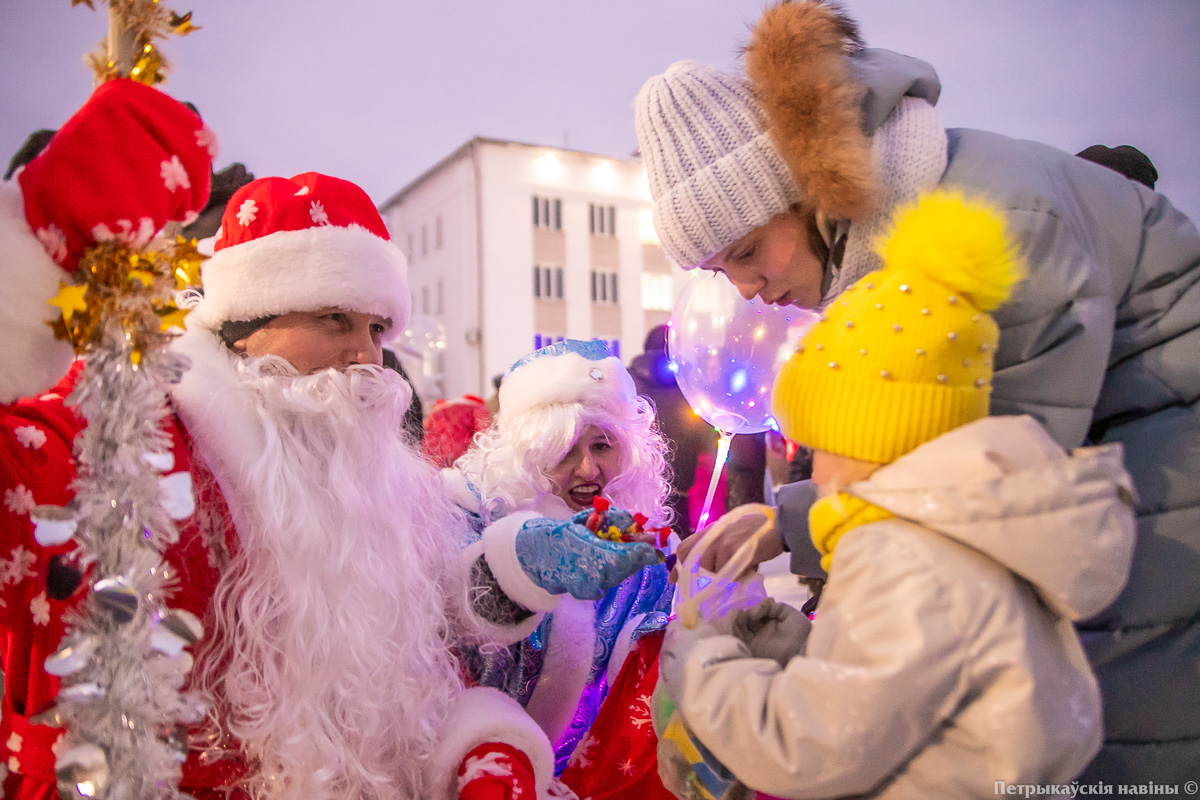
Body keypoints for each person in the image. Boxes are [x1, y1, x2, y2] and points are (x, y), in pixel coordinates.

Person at [0, 80, 655, 800]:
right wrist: (29, 263)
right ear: (248, 323)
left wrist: (511, 589)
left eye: (377, 329)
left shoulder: (376, 480)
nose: (366, 357)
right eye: (335, 319)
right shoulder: (129, 446)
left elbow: (418, 648)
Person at [634, 0, 1200, 779]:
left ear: (805, 189)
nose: (745, 289)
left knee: (1132, 732)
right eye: (718, 272)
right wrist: (786, 520)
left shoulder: (986, 233)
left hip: (1168, 475)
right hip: (1127, 467)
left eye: (747, 249)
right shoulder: (904, 245)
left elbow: (977, 500)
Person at [657, 190, 1137, 798]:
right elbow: (905, 693)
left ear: (873, 443)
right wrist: (798, 649)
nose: (814, 468)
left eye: (822, 447)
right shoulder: (961, 535)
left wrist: (703, 670)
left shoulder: (901, 559)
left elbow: (811, 747)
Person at [452, 339, 675, 779]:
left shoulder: (641, 546)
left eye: (603, 445)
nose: (589, 470)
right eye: (565, 448)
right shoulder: (468, 522)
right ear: (526, 454)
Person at [627, 325, 718, 537]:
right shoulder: (687, 380)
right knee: (677, 550)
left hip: (637, 483)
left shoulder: (627, 379)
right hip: (680, 486)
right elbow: (704, 434)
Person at [423, 394, 492, 468]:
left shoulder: (438, 409)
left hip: (437, 458)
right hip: (465, 457)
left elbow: (428, 433)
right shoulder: (477, 408)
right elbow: (484, 433)